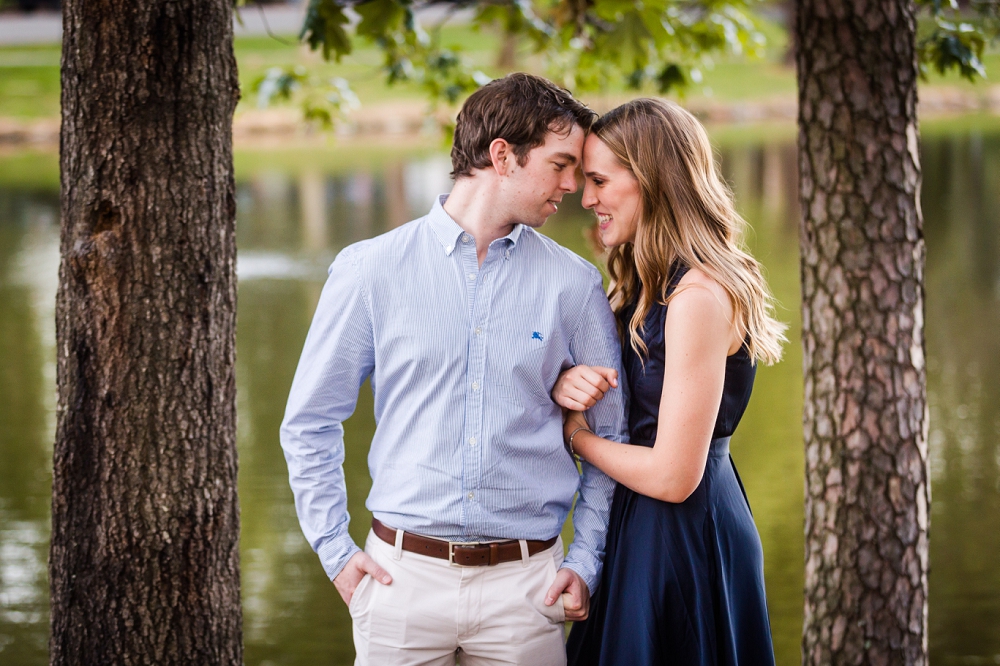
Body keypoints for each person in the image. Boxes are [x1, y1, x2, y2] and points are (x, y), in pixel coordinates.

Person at [279, 73, 628, 666]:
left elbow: (611, 437)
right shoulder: (369, 271)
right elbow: (310, 421)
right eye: (560, 164)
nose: (573, 186)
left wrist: (584, 563)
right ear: (502, 156)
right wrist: (335, 551)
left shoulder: (573, 284)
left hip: (528, 591)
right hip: (399, 586)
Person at [555, 98, 786, 665]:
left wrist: (576, 436)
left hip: (683, 532)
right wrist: (570, 382)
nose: (587, 199)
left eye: (599, 180)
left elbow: (673, 475)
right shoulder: (643, 283)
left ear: (652, 180)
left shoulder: (699, 296)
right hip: (639, 522)